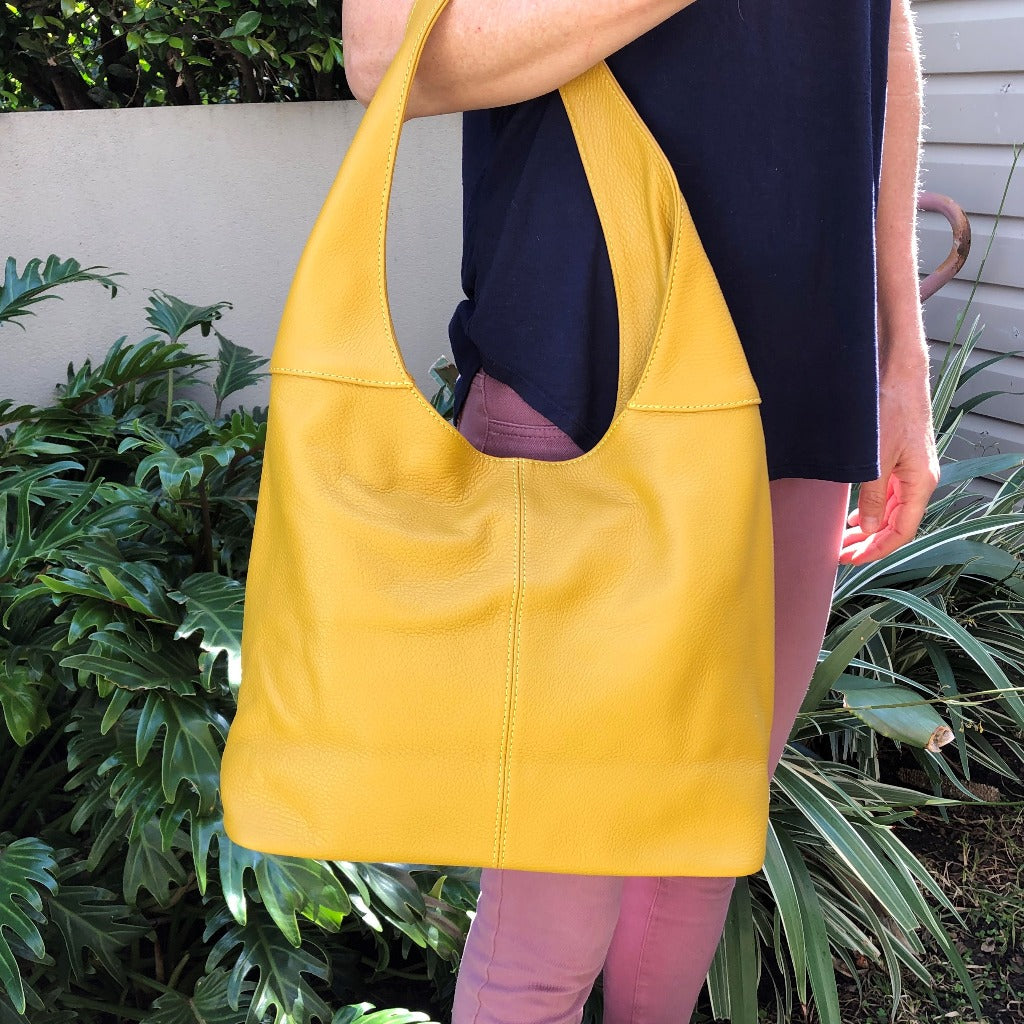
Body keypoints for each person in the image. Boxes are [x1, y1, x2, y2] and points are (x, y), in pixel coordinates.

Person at [342, 1, 941, 1021]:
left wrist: (899, 339)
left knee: (699, 849)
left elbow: (877, 27)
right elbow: (386, 52)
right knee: (551, 920)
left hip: (798, 371)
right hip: (586, 371)